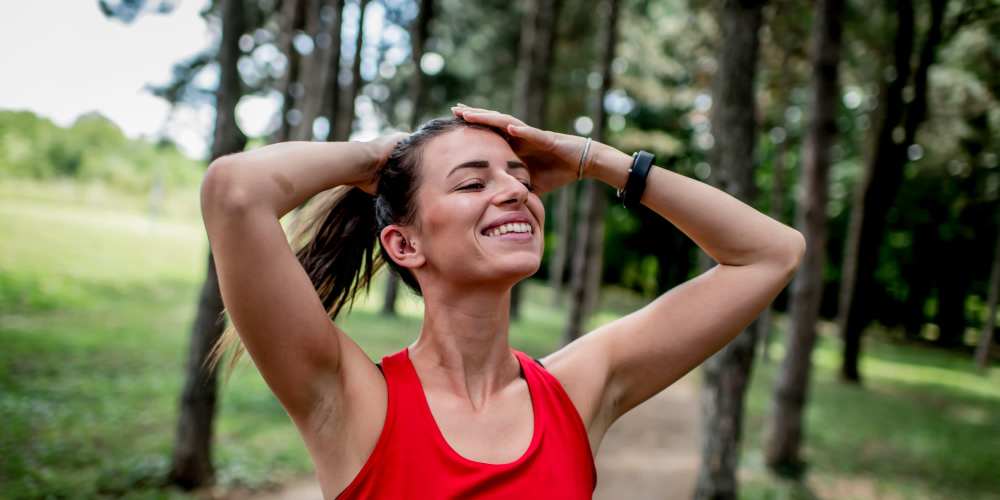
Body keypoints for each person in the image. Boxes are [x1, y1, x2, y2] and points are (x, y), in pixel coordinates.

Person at [200, 103, 805, 499]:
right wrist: (384, 156)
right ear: (404, 244)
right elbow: (234, 190)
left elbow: (772, 253)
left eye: (521, 178)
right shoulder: (348, 397)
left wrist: (595, 160)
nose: (515, 191)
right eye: (472, 182)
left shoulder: (577, 391)